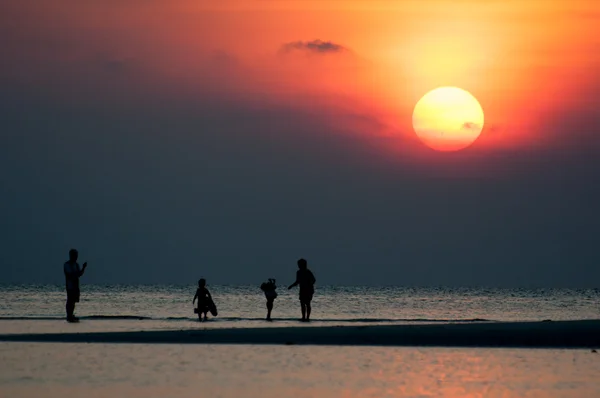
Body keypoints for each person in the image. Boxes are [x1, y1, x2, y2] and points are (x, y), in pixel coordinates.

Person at [63, 249, 88, 322]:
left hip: (76, 285)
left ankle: (71, 314)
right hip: (70, 285)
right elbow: (70, 274)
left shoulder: (76, 265)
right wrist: (76, 274)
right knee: (70, 300)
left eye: (76, 255)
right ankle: (69, 315)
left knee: (73, 301)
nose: (76, 257)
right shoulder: (67, 264)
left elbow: (79, 274)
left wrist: (83, 268)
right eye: (74, 255)